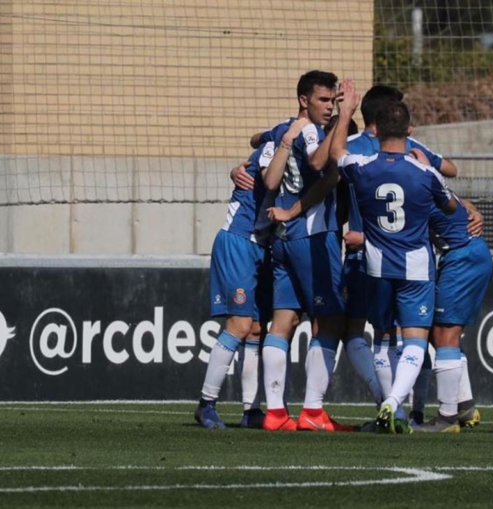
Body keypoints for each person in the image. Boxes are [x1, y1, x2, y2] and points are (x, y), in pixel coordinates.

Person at [332, 83, 457, 434]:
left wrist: (345, 113)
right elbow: (448, 204)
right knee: (415, 339)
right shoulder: (424, 171)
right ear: (410, 132)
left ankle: (392, 408)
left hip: (376, 265)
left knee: (383, 337)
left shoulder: (363, 167)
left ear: (375, 130)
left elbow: (337, 153)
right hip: (416, 265)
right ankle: (393, 404)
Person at [259, 70, 352, 432]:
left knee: (282, 322)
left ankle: (276, 412)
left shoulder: (284, 128)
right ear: (304, 101)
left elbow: (259, 143)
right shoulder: (313, 130)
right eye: (324, 101)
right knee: (329, 320)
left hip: (283, 238)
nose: (330, 108)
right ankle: (313, 411)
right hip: (312, 237)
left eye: (333, 101)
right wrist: (345, 118)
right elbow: (316, 163)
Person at [193, 140, 277, 430]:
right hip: (239, 241)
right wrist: (238, 169)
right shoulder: (287, 137)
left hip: (263, 246)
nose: (329, 107)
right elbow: (261, 140)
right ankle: (206, 404)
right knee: (240, 325)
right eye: (324, 101)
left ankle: (251, 410)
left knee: (256, 328)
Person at [411, 173, 493, 433]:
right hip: (464, 254)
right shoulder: (420, 181)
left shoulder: (411, 185)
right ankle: (464, 405)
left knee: (445, 335)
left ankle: (447, 417)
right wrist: (473, 209)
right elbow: (457, 199)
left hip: (462, 256)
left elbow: (452, 172)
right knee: (441, 334)